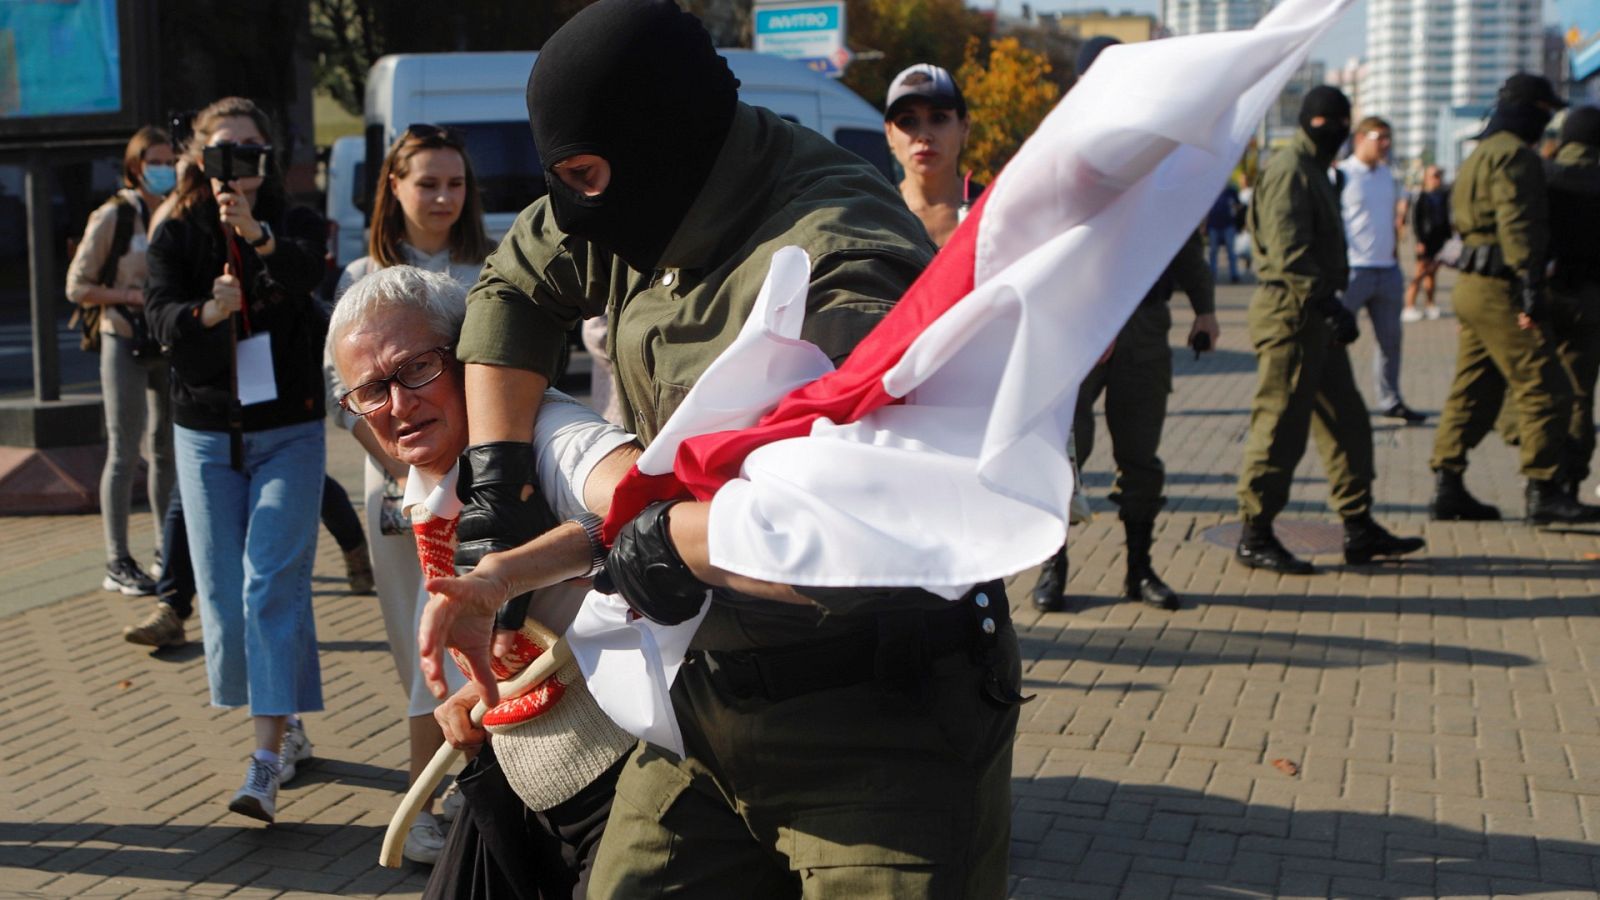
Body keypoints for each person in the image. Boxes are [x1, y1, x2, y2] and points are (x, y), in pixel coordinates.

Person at [438, 1, 1019, 895]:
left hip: (877, 730)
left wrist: (676, 541)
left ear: (662, 141)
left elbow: (888, 524)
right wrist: (497, 484)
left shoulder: (841, 259)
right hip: (705, 711)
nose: (573, 209)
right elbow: (513, 287)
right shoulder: (637, 185)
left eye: (584, 175)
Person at [328, 266, 637, 897]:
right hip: (529, 765)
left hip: (634, 764)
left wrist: (505, 575)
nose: (398, 406)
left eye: (417, 368)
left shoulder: (543, 432)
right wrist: (483, 691)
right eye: (370, 392)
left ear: (469, 357)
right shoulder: (427, 483)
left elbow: (644, 498)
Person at [145, 97, 327, 824]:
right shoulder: (176, 230)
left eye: (250, 149)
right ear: (197, 155)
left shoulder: (294, 219)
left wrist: (258, 238)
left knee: (270, 585)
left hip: (290, 431)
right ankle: (288, 723)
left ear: (269, 155)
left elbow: (310, 276)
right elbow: (158, 318)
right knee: (223, 600)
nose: (237, 163)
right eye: (222, 150)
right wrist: (207, 314)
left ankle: (263, 763)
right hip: (205, 434)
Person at [326, 123, 494, 864]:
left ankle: (473, 790)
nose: (443, 198)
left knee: (486, 639)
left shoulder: (486, 266)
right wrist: (407, 476)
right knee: (422, 651)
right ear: (393, 187)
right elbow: (346, 399)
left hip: (483, 480)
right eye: (427, 183)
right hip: (400, 491)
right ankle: (419, 806)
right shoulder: (365, 274)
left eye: (455, 183)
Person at [1032, 34, 1221, 613]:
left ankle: (1139, 569)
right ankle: (1052, 566)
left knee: (1141, 457)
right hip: (1078, 325)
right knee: (1065, 453)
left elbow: (1183, 236)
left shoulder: (1158, 154)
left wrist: (1205, 307)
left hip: (1142, 323)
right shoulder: (1057, 151)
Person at [1234, 85, 1424, 574]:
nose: (1346, 132)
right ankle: (1254, 534)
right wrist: (1326, 302)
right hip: (1292, 315)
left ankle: (1358, 527)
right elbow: (1288, 249)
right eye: (1342, 123)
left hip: (1314, 314)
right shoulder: (1291, 169)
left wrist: (1329, 306)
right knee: (1279, 428)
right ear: (1322, 123)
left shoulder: (1315, 168)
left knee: (1348, 425)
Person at [1427, 74, 1600, 525]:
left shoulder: (1481, 151)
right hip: (1500, 286)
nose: (1547, 122)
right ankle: (1543, 491)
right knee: (1547, 386)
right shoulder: (1516, 156)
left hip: (1471, 285)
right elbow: (1518, 223)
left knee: (1474, 389)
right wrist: (1530, 285)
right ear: (1530, 110)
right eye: (1545, 111)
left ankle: (1448, 484)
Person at [65, 126, 178, 597]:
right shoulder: (113, 216)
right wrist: (129, 296)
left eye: (170, 159)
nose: (165, 168)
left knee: (168, 451)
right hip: (123, 340)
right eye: (155, 160)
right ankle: (117, 560)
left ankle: (165, 548)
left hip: (165, 345)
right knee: (124, 451)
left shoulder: (175, 212)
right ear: (136, 166)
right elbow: (76, 286)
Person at [1336, 117, 1425, 424]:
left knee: (1390, 341)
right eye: (1380, 137)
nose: (1386, 143)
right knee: (1333, 340)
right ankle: (1327, 402)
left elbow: (1394, 221)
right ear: (1361, 138)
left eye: (1389, 137)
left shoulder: (1388, 175)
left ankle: (1390, 400)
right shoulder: (1341, 175)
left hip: (1386, 270)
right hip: (1352, 270)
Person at [881, 63, 978, 247]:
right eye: (907, 121)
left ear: (964, 126)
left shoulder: (992, 213)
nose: (924, 136)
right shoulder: (876, 219)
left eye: (938, 118)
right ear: (889, 134)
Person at [1405, 165, 1450, 321]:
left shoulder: (1444, 195)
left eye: (1438, 175)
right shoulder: (1421, 196)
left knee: (1432, 274)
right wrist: (1419, 241)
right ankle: (1409, 305)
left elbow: (1447, 219)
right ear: (1426, 178)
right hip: (1424, 241)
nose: (1436, 179)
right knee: (1419, 273)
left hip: (1438, 240)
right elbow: (1416, 221)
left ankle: (1430, 305)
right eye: (1433, 176)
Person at [1206, 183, 1242, 283]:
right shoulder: (1210, 189)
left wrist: (1234, 208)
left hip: (1228, 225)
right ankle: (1212, 274)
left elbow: (1238, 206)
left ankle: (1234, 275)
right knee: (1213, 252)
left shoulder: (1231, 191)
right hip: (1213, 225)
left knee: (1231, 252)